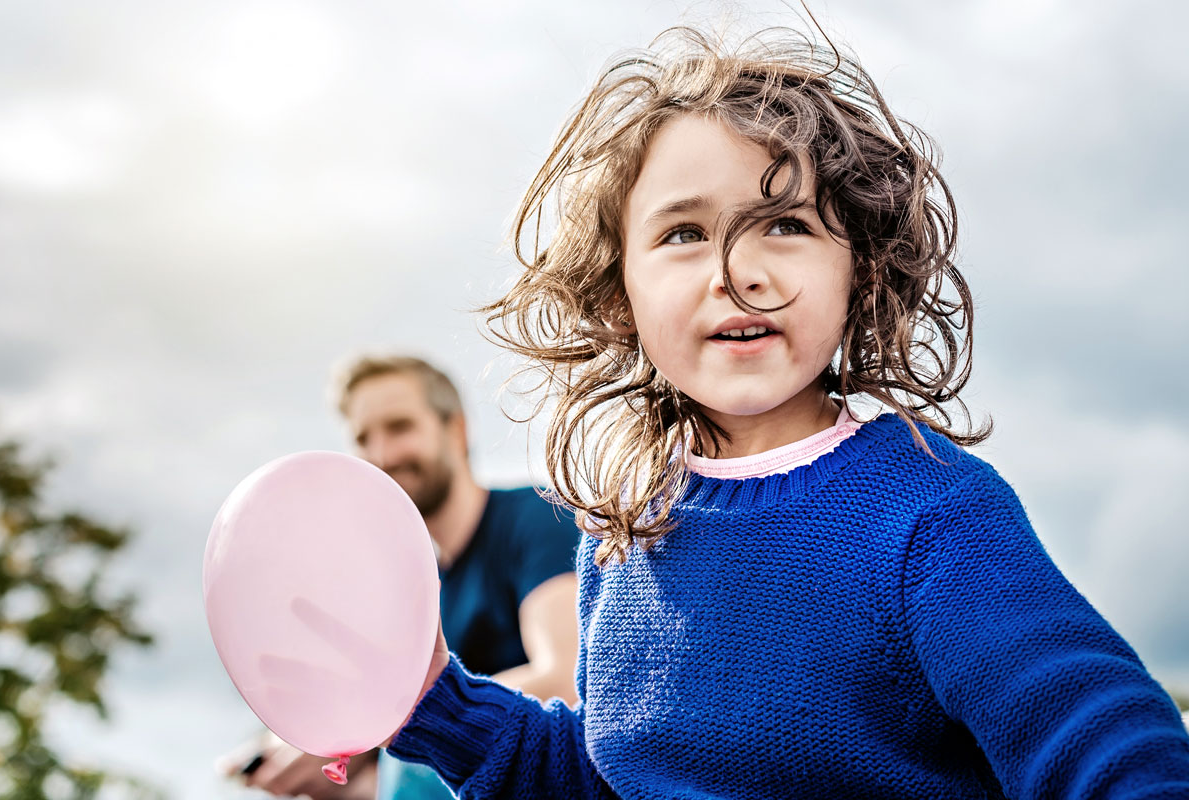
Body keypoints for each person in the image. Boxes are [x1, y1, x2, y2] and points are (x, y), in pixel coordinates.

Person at [372, 23, 1189, 799]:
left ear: (860, 272)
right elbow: (617, 780)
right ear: (620, 292)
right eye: (685, 233)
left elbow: (1106, 742)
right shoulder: (620, 532)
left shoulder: (933, 518)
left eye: (786, 223)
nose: (737, 271)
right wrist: (436, 706)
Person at [230, 355, 582, 799]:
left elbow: (567, 680)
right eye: (363, 438)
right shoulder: (410, 587)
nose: (381, 455)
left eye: (399, 427)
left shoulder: (534, 517)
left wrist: (371, 731)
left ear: (456, 431)